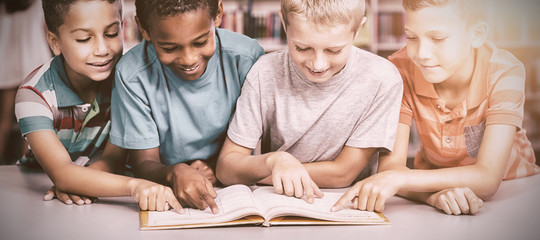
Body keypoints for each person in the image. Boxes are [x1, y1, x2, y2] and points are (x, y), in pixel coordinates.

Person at [333, 0, 540, 215]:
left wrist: (401, 178)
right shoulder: (400, 70)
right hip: (436, 190)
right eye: (411, 37)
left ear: (477, 34)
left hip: (515, 191)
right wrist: (434, 196)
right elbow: (390, 170)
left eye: (438, 38)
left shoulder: (505, 72)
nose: (422, 53)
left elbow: (487, 178)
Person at [216, 0, 403, 204]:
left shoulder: (382, 78)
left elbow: (343, 173)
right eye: (302, 48)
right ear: (284, 25)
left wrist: (266, 174)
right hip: (280, 204)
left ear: (358, 29)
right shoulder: (264, 73)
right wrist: (275, 161)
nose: (318, 64)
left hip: (349, 207)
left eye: (333, 51)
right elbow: (226, 169)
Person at [14, 0, 182, 212]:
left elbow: (113, 159)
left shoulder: (129, 79)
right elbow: (61, 172)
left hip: (104, 187)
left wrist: (78, 182)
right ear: (54, 42)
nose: (102, 50)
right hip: (39, 188)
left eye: (112, 34)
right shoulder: (34, 95)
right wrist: (135, 186)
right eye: (84, 39)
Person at [109, 0, 264, 214]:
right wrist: (173, 173)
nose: (189, 59)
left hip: (229, 184)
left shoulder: (247, 59)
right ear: (143, 28)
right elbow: (143, 162)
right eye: (169, 48)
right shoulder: (132, 75)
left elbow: (255, 144)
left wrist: (217, 167)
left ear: (218, 13)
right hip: (159, 189)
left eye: (201, 42)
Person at [0, 0, 51, 164]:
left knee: (4, 119)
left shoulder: (4, 6)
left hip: (7, 64)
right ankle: (25, 163)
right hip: (33, 63)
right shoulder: (38, 4)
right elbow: (47, 32)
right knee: (30, 118)